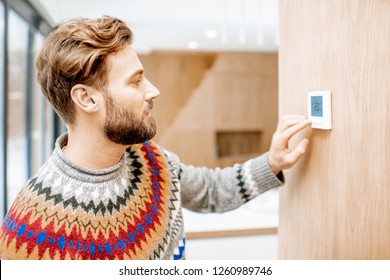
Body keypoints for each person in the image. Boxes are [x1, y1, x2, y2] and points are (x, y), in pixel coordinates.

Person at [0, 16, 311, 260]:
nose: (153, 90)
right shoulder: (30, 235)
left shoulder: (147, 157)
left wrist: (271, 163)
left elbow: (211, 191)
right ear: (87, 99)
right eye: (135, 82)